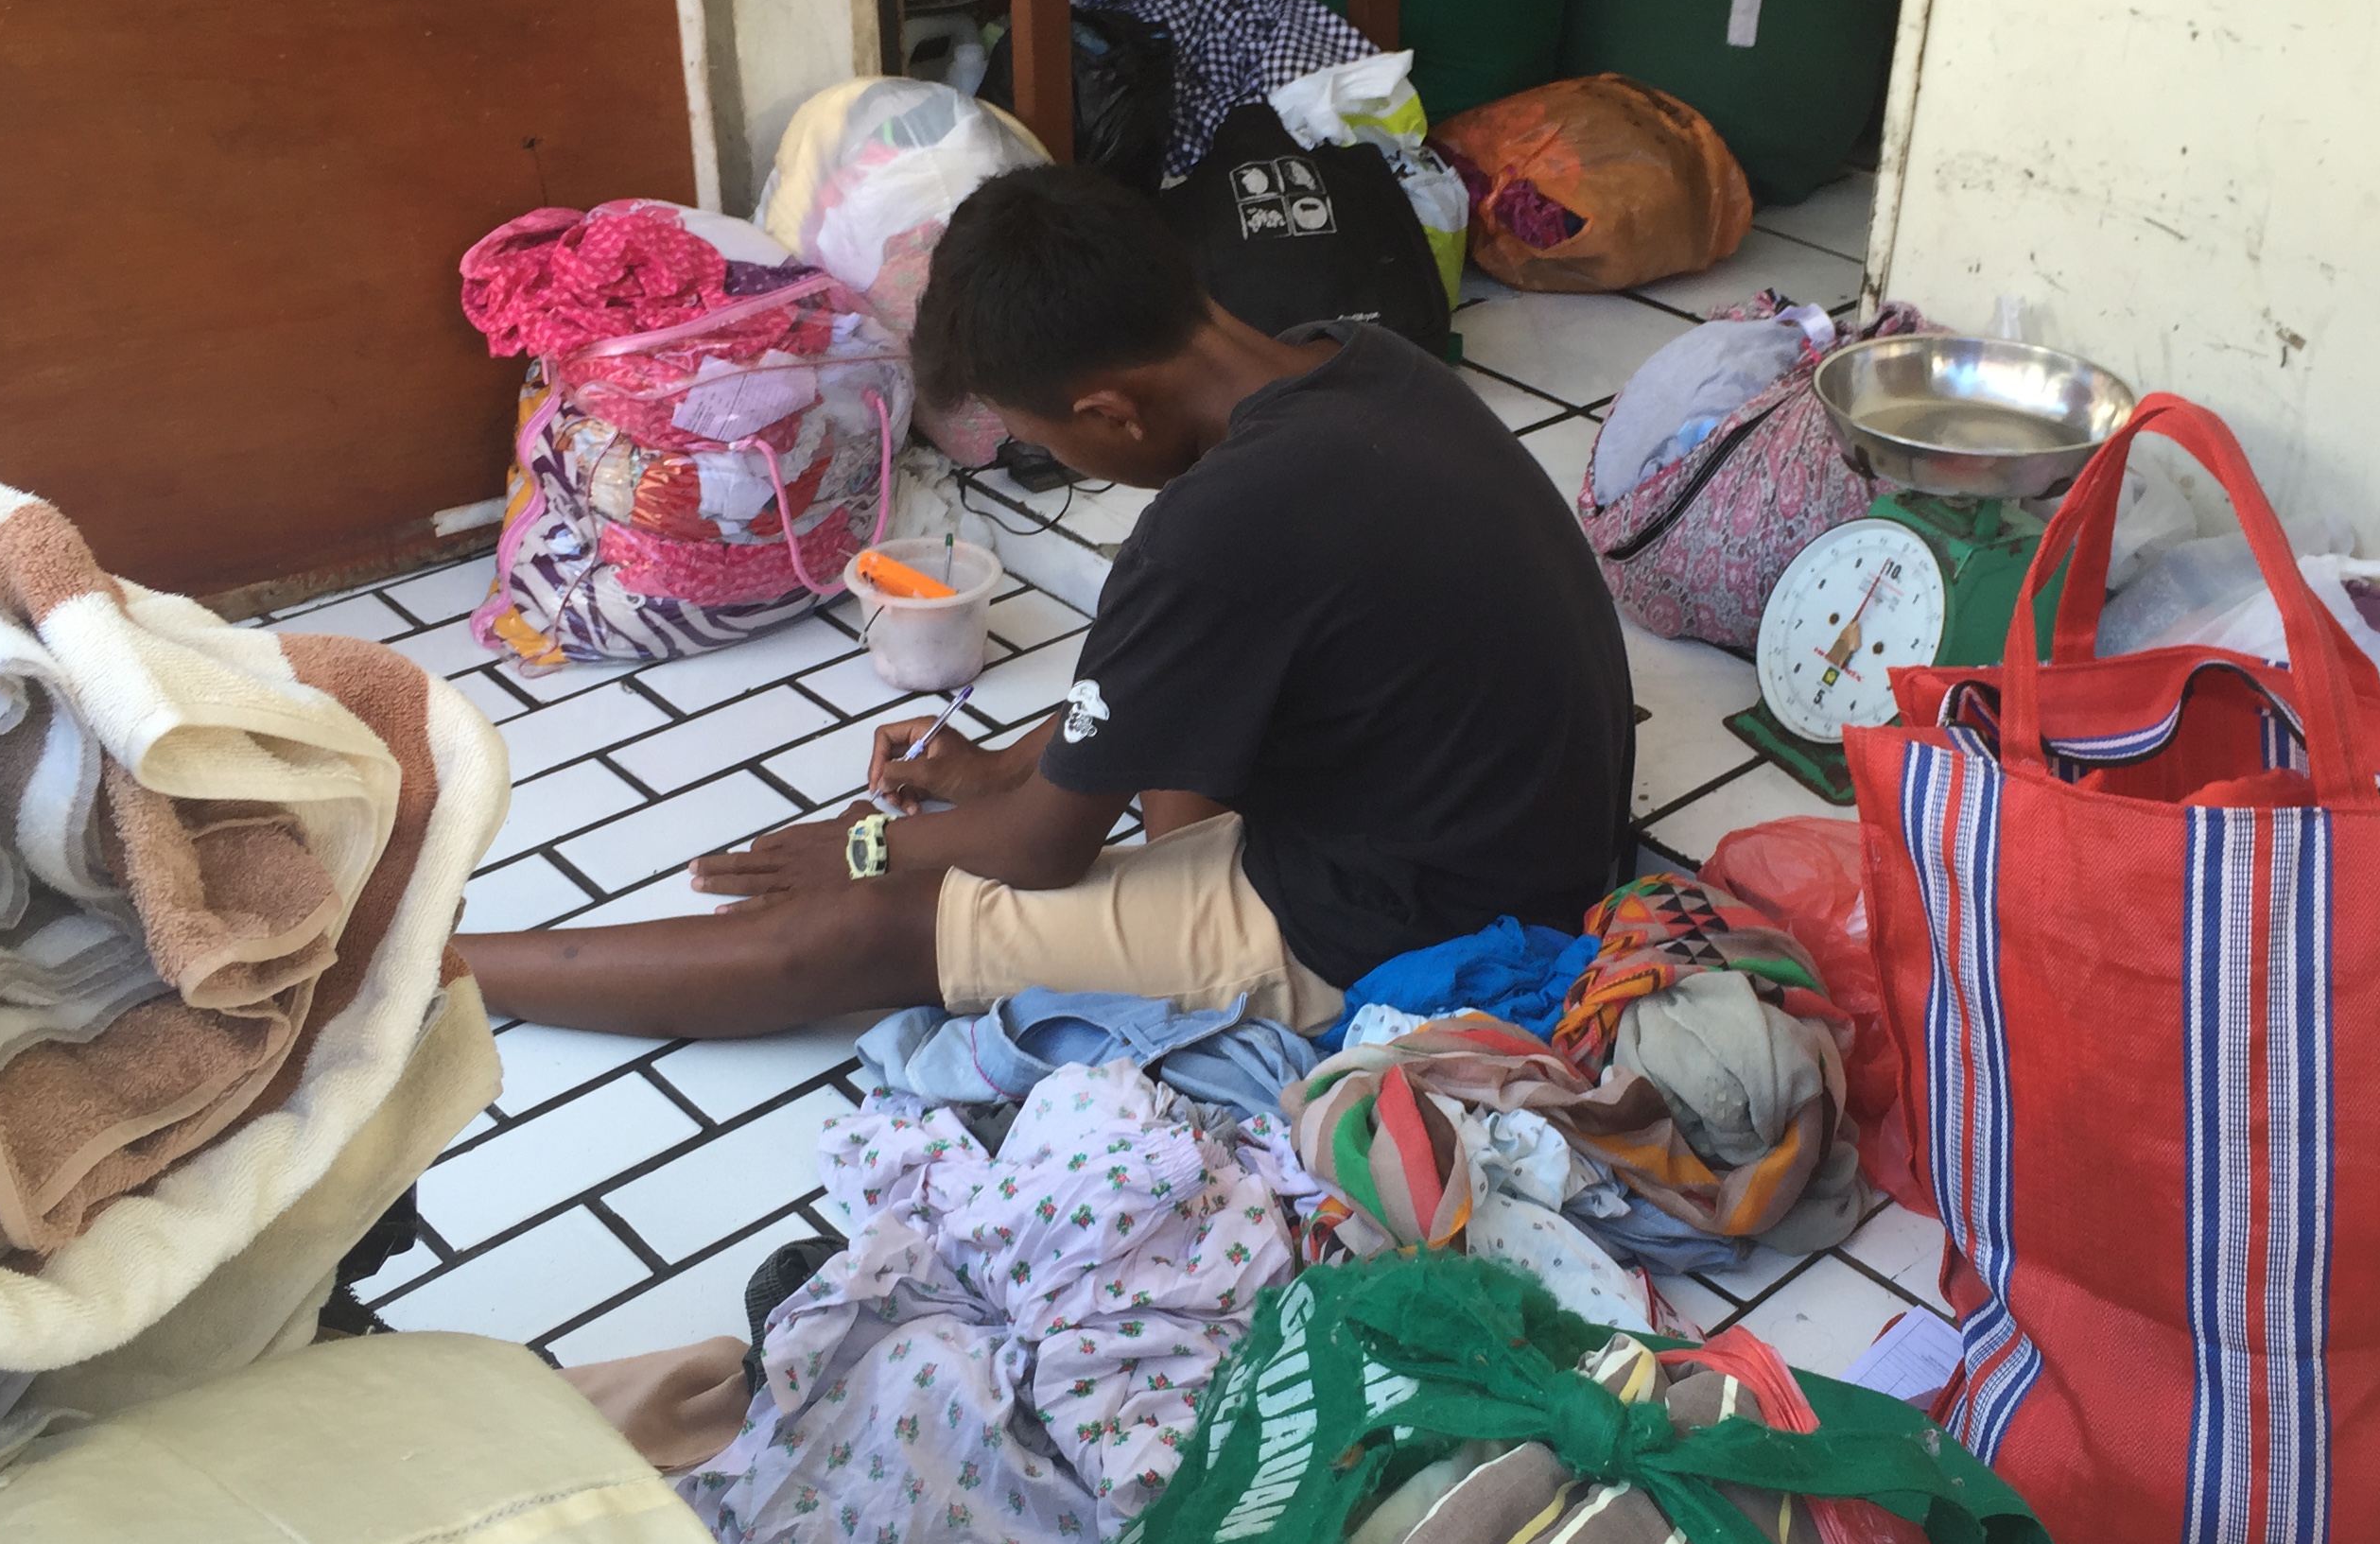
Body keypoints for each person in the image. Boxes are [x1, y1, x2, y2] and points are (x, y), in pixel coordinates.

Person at [458, 165, 1635, 1042]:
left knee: (864, 930)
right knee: (1130, 767)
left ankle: (441, 969)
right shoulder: (1357, 362)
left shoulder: (1213, 527)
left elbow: (1041, 850)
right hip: (1515, 828)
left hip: (1423, 921)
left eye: (1045, 440)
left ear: (1111, 410)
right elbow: (1207, 659)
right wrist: (1009, 766)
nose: (1058, 462)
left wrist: (867, 850)